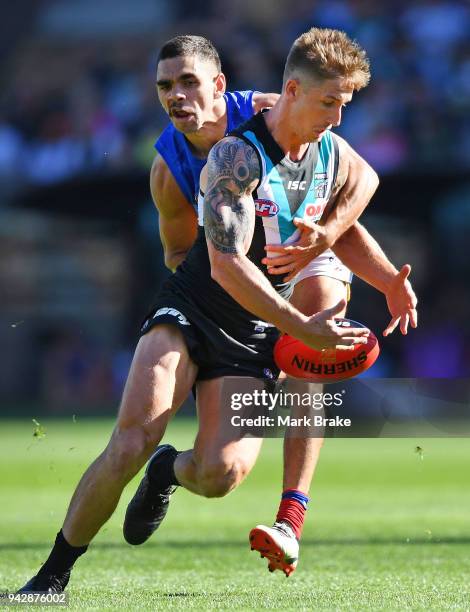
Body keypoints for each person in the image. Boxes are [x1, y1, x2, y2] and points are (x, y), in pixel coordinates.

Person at [18, 29, 416, 592]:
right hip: (197, 305)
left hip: (253, 327)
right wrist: (300, 326)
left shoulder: (324, 142)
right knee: (133, 439)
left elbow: (363, 183)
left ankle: (170, 473)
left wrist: (383, 280)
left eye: (187, 82)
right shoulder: (234, 156)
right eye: (165, 86)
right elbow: (219, 264)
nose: (339, 116)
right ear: (295, 92)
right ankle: (48, 579)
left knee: (220, 474)